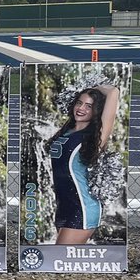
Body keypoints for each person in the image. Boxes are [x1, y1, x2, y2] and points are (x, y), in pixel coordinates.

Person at [47, 83, 120, 245]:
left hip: (82, 207)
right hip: (63, 205)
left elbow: (113, 92)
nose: (81, 108)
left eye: (89, 106)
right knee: (63, 263)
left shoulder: (94, 137)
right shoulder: (67, 130)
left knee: (59, 259)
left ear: (96, 111)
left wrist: (93, 87)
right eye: (79, 103)